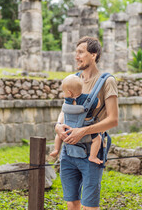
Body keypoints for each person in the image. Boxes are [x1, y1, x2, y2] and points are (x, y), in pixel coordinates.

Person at [55, 36, 119, 210]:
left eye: (81, 52)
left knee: (89, 206)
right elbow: (64, 110)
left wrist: (82, 132)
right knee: (72, 203)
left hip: (91, 150)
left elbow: (113, 119)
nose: (76, 56)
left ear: (94, 54)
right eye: (76, 52)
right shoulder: (73, 80)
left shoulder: (107, 81)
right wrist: (58, 126)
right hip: (68, 152)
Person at [50, 74, 103, 164]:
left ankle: (56, 149)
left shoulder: (67, 101)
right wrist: (93, 97)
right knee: (98, 139)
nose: (63, 94)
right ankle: (93, 157)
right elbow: (98, 104)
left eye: (64, 92)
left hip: (67, 130)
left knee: (59, 134)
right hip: (84, 130)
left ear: (69, 93)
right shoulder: (87, 99)